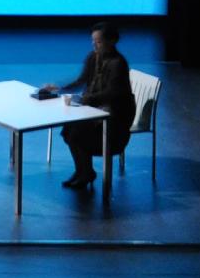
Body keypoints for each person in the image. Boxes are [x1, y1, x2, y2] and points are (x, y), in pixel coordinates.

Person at [42, 21, 137, 190]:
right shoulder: (93, 57)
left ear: (112, 41)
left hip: (114, 119)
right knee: (69, 129)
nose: (94, 44)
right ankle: (83, 171)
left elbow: (113, 93)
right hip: (95, 111)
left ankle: (85, 172)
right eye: (93, 41)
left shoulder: (118, 63)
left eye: (98, 41)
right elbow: (81, 80)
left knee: (77, 133)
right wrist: (60, 88)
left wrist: (87, 99)